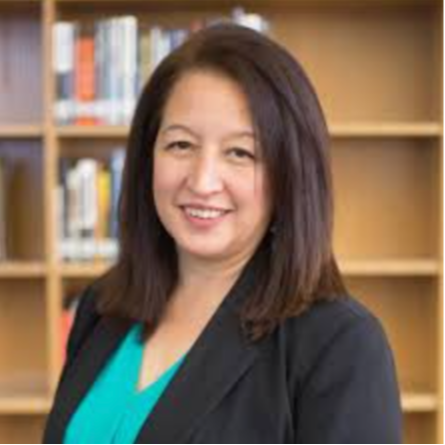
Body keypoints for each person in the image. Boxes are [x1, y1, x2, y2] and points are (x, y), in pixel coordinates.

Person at [43, 24, 402, 444]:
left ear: (290, 174)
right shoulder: (101, 308)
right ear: (148, 157)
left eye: (240, 153)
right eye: (181, 145)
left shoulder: (340, 346)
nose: (202, 180)